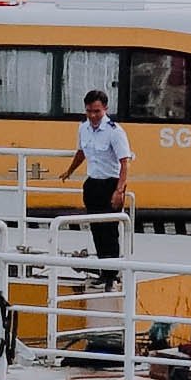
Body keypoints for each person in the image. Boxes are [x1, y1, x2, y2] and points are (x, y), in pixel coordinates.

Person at [74, 88, 130, 264]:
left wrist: (119, 190)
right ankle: (102, 268)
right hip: (92, 184)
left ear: (105, 108)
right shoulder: (83, 128)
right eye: (89, 111)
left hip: (110, 185)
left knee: (110, 230)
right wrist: (70, 170)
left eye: (97, 111)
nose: (92, 115)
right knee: (96, 229)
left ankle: (111, 273)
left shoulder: (115, 131)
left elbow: (125, 162)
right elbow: (81, 152)